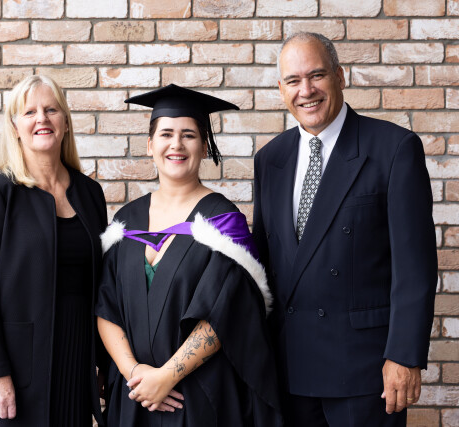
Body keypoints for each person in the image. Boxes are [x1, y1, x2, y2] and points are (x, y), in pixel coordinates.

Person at [253, 32, 438, 426]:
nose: (306, 91)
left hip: (366, 373)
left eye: (317, 75)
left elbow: (415, 267)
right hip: (288, 369)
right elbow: (265, 265)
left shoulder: (394, 149)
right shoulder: (269, 159)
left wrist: (404, 356)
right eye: (293, 81)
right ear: (281, 89)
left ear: (339, 75)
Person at [96, 84, 283, 426]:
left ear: (204, 146)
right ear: (150, 145)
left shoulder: (222, 223)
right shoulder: (126, 222)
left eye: (189, 135)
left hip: (198, 398)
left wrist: (166, 377)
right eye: (166, 134)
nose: (176, 144)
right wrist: (134, 373)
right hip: (134, 396)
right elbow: (105, 307)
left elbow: (227, 313)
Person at [0, 75, 107, 426]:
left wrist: (104, 362)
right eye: (30, 112)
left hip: (75, 360)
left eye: (51, 109)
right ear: (15, 127)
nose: (42, 118)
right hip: (15, 366)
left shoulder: (90, 194)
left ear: (65, 121)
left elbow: (102, 284)